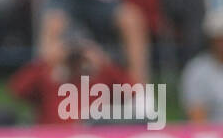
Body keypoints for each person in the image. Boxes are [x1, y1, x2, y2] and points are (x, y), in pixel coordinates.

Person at [8, 31, 136, 126]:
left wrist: (103, 63)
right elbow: (17, 90)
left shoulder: (101, 78)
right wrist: (47, 61)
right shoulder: (47, 76)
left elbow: (131, 91)